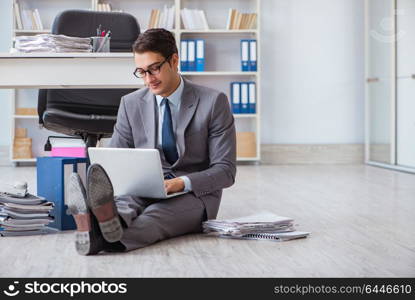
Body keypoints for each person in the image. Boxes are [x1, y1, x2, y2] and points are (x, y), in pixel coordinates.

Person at [67, 28, 236, 255]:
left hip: (194, 194)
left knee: (155, 217)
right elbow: (115, 158)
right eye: (141, 72)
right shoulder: (131, 103)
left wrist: (180, 183)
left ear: (174, 60)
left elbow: (225, 171)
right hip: (142, 187)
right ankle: (101, 222)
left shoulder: (213, 102)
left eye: (154, 69)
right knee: (125, 205)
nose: (148, 79)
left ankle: (98, 234)